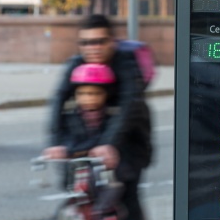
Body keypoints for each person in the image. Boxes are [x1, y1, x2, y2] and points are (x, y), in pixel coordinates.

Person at [44, 63, 152, 220]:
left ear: (106, 94)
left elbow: (116, 138)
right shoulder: (72, 115)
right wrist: (59, 148)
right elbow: (63, 136)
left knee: (115, 190)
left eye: (94, 92)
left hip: (113, 167)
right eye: (82, 92)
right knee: (80, 186)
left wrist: (103, 148)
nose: (88, 98)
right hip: (83, 166)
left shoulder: (113, 115)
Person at [49, 14, 148, 170]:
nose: (92, 48)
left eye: (100, 42)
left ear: (112, 42)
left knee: (123, 182)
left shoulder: (126, 64)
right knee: (71, 181)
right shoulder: (76, 63)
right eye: (85, 43)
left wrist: (108, 143)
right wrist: (55, 143)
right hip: (87, 139)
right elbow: (58, 99)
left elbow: (129, 106)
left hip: (127, 139)